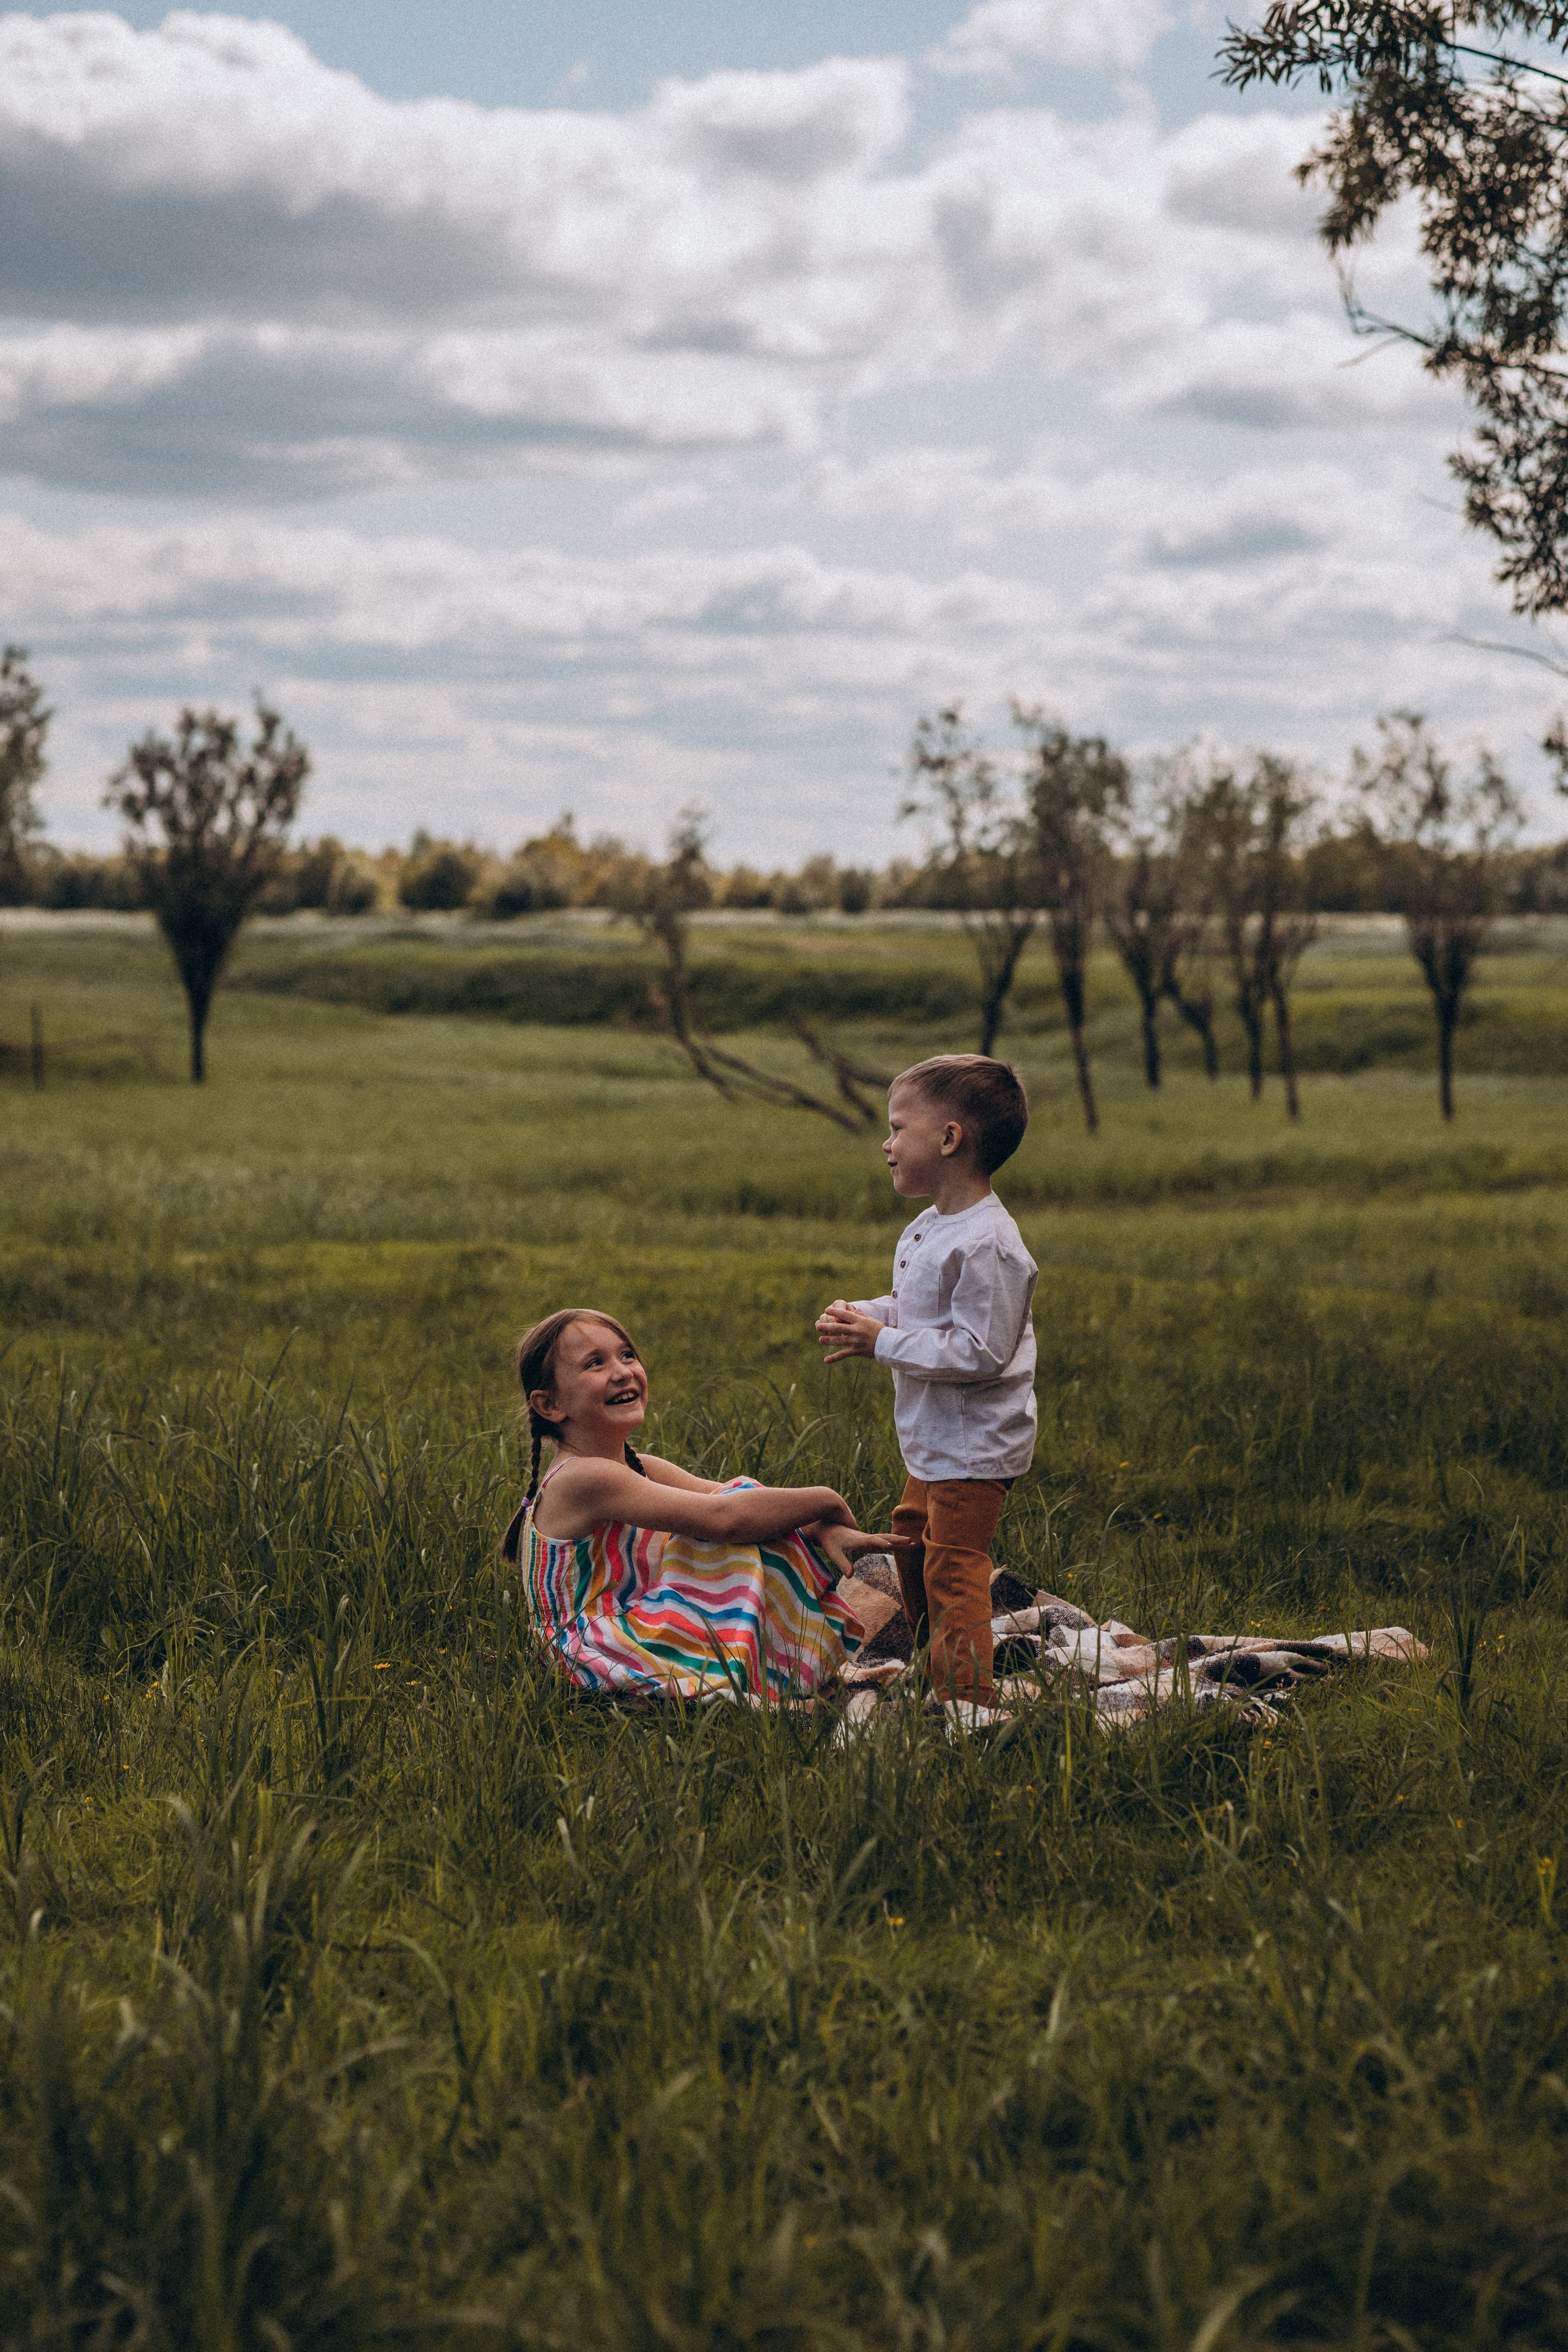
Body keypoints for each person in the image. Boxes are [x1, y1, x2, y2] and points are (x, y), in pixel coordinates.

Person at [502, 1307, 903, 1703]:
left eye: (627, 1355)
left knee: (747, 1506)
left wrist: (821, 1528)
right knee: (736, 1528)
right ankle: (775, 1678)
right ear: (550, 1406)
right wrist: (825, 1499)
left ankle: (781, 1670)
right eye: (595, 1363)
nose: (622, 1371)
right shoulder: (584, 1478)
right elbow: (726, 1519)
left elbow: (741, 1504)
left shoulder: (636, 1467)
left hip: (631, 1621)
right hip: (588, 1653)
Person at [815, 1055, 1037, 1721]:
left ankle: (969, 1703)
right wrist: (869, 1314)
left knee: (953, 1565)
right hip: (935, 1435)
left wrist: (878, 1343)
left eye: (896, 1128)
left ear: (947, 1139)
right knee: (910, 1539)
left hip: (975, 1444)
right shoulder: (933, 1226)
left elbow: (979, 1350)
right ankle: (930, 1659)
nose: (886, 1144)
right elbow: (919, 1306)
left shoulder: (990, 1245)